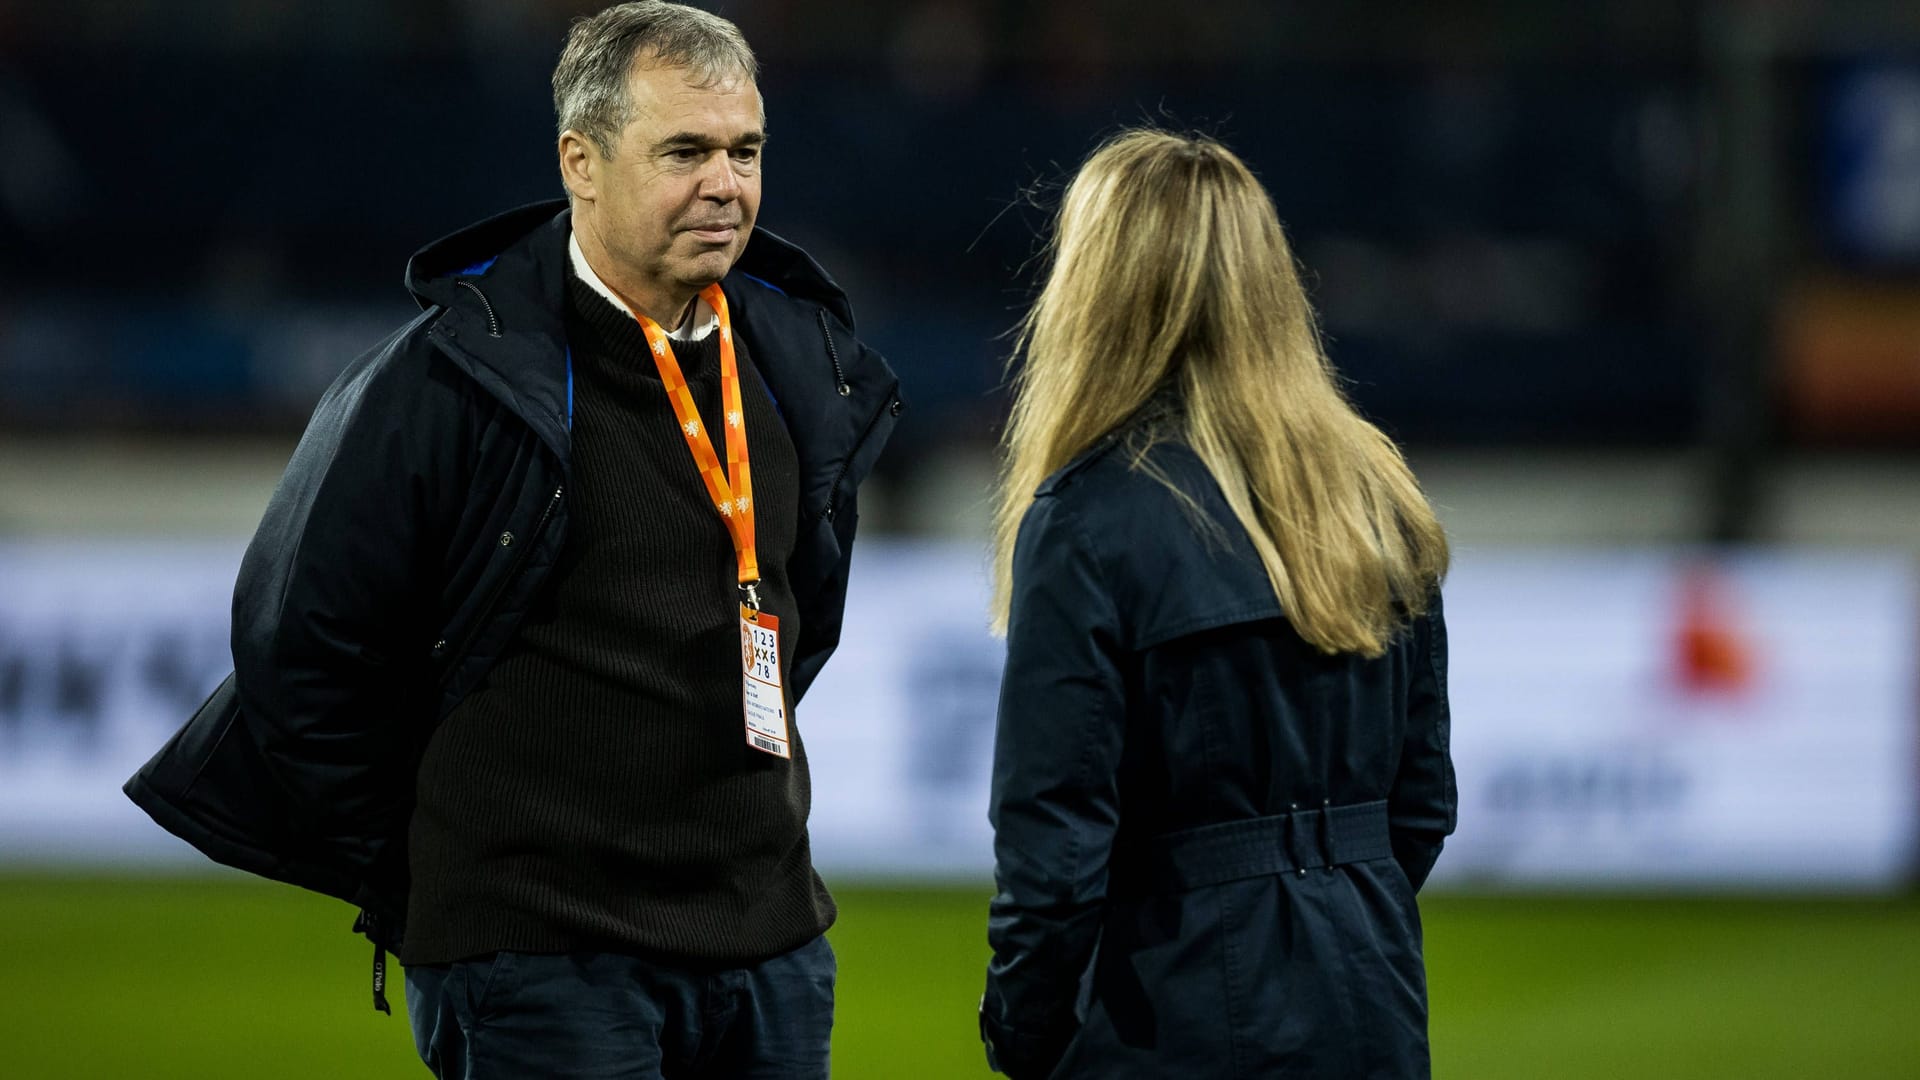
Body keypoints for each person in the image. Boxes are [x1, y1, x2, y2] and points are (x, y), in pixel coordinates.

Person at [124, 3, 902, 1076]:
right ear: (580, 162)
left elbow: (799, 618)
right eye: (685, 151)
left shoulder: (798, 363)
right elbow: (299, 650)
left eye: (746, 150)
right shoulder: (446, 380)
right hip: (539, 961)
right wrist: (446, 872)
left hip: (768, 951)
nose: (726, 183)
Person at [977, 129, 1455, 1079]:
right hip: (1371, 998)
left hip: (1172, 1006)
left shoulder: (1087, 519)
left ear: (1094, 291)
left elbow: (1055, 846)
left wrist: (1024, 1029)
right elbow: (1422, 805)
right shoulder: (1377, 497)